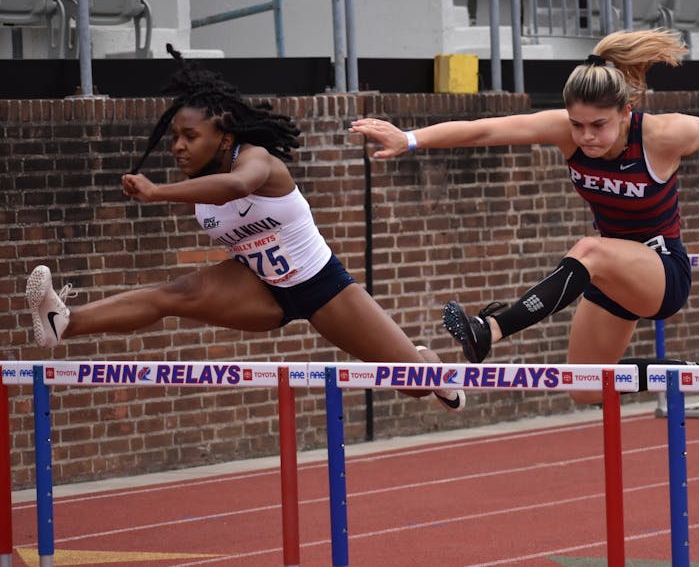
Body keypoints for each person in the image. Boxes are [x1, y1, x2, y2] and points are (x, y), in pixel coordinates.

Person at [350, 29, 699, 412]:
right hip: (608, 273)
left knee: (590, 248)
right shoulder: (567, 131)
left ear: (626, 111)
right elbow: (488, 129)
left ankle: (491, 329)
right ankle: (698, 374)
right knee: (586, 386)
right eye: (577, 126)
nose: (586, 138)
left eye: (598, 125)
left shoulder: (660, 135)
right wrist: (408, 139)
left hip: (662, 270)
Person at [26, 45, 464, 412]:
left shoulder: (257, 161)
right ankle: (64, 321)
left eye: (190, 136)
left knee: (414, 381)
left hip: (322, 287)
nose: (178, 145)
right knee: (171, 294)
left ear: (225, 136)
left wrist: (158, 193)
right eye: (174, 136)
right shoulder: (201, 183)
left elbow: (236, 187)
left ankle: (429, 363)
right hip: (258, 286)